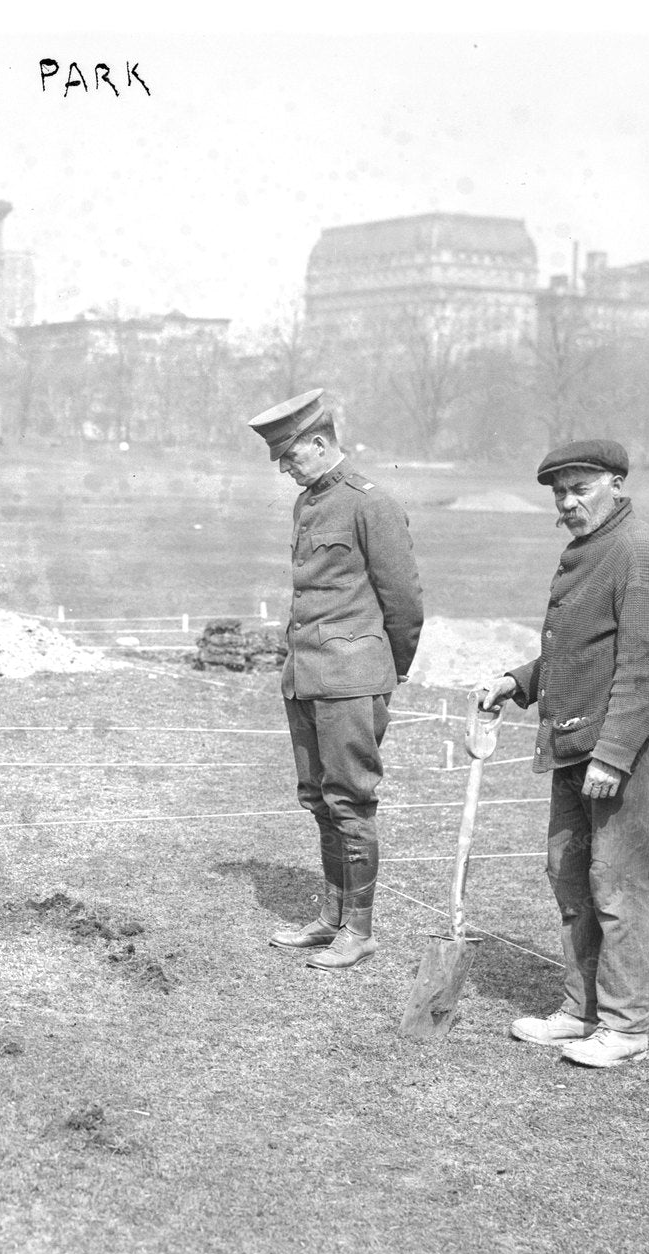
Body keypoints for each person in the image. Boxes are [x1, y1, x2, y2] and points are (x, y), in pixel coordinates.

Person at [477, 438, 649, 1068]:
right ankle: (580, 1011)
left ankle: (625, 1029)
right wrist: (519, 681)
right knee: (569, 873)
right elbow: (580, 649)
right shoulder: (589, 550)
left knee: (616, 883)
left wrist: (615, 753)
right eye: (559, 492)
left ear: (617, 483)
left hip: (618, 742)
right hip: (576, 737)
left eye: (582, 488)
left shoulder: (638, 553)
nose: (568, 502)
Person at [248, 390, 424, 970]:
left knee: (350, 802)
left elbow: (403, 603)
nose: (284, 467)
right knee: (320, 800)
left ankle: (360, 930)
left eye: (291, 456)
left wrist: (381, 671)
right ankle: (332, 917)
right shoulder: (309, 503)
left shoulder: (370, 504)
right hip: (307, 676)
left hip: (352, 678)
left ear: (320, 444)